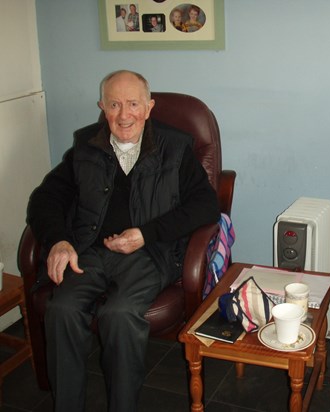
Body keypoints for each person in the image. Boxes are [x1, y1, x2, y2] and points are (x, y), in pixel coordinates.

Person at [26, 70, 220, 412]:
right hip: (89, 252)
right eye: (114, 104)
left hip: (149, 254)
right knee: (62, 308)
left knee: (119, 313)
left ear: (149, 108)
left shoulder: (175, 148)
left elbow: (205, 205)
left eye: (133, 104)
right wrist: (58, 240)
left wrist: (147, 233)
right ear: (102, 107)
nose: (124, 114)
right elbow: (45, 198)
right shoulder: (85, 147)